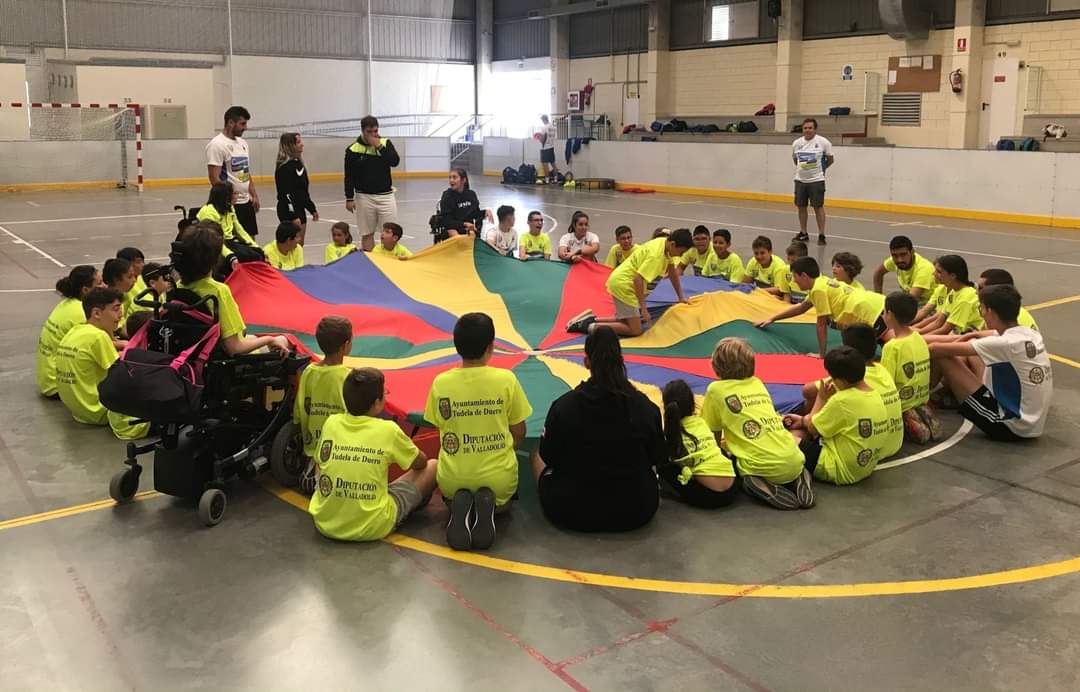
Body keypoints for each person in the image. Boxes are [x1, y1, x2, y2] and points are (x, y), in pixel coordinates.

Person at [530, 326, 664, 532]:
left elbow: (549, 456)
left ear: (586, 362)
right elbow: (657, 457)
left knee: (536, 455)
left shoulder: (564, 407)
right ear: (621, 360)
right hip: (637, 509)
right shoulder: (645, 407)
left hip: (571, 510)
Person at [423, 313, 532, 551]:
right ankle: (492, 508)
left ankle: (459, 505)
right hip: (499, 479)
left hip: (453, 479)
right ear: (491, 346)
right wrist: (505, 448)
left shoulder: (441, 382)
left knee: (449, 482)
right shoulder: (507, 380)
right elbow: (520, 431)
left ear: (456, 346)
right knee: (503, 501)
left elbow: (439, 427)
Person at [309, 368, 437, 542]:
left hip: (325, 521)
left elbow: (319, 463)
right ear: (377, 402)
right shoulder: (388, 430)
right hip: (373, 525)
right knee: (433, 466)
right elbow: (420, 463)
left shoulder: (331, 423)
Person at [701, 337, 812, 509]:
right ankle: (798, 476)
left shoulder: (715, 390)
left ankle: (757, 483)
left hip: (759, 466)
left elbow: (712, 434)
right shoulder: (757, 383)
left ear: (716, 365)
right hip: (794, 457)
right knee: (787, 460)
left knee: (737, 469)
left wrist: (718, 460)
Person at [930, 284, 1051, 441]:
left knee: (943, 357)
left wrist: (903, 345)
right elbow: (977, 336)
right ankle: (945, 396)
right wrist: (965, 338)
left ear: (989, 312)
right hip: (1031, 422)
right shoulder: (1028, 334)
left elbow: (933, 349)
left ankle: (919, 402)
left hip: (1009, 426)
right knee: (972, 353)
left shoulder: (1003, 344)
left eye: (981, 310)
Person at [173, 222, 290, 356]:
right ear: (216, 259)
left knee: (256, 338)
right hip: (222, 360)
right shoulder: (218, 291)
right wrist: (269, 340)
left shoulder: (176, 288)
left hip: (193, 353)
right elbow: (234, 348)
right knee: (284, 341)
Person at [784, 346, 892, 485]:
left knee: (784, 438)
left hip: (838, 469)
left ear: (841, 381)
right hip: (865, 467)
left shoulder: (842, 400)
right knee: (799, 433)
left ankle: (788, 480)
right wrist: (803, 420)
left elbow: (812, 428)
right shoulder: (875, 394)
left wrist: (821, 398)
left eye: (833, 378)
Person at [54, 287, 149, 440]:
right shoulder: (98, 337)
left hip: (79, 411)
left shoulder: (76, 330)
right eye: (115, 309)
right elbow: (124, 371)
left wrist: (121, 345)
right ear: (97, 313)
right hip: (98, 411)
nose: (121, 314)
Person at [567, 229, 693, 338]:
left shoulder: (664, 243)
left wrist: (680, 297)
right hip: (624, 285)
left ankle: (591, 320)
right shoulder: (656, 257)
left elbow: (671, 271)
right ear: (673, 244)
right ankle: (587, 326)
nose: (680, 256)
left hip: (622, 281)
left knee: (625, 320)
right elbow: (638, 279)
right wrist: (643, 309)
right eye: (681, 252)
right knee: (635, 330)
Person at [755, 257, 886, 359]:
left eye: (795, 277)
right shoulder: (821, 282)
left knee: (893, 341)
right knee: (890, 341)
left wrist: (822, 354)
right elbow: (801, 307)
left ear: (804, 276)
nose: (794, 281)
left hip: (869, 311)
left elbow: (821, 324)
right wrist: (773, 318)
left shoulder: (818, 290)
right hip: (876, 304)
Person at [294, 316, 352, 494]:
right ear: (346, 345)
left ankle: (314, 468)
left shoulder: (309, 371)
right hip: (340, 448)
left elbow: (299, 411)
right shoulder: (348, 377)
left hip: (312, 444)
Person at [659, 379, 739, 508]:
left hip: (708, 496)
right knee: (719, 452)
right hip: (733, 488)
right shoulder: (701, 422)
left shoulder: (670, 433)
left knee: (663, 466)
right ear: (692, 403)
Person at [881, 291, 940, 443]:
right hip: (921, 396)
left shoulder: (892, 347)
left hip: (901, 402)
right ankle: (918, 413)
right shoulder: (918, 337)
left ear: (890, 315)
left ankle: (904, 418)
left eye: (884, 312)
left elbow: (886, 383)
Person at [37, 265, 102, 398]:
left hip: (48, 379)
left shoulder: (67, 304)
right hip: (59, 383)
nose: (105, 286)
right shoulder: (82, 313)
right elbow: (99, 345)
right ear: (85, 290)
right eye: (100, 283)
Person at [344, 115, 400, 252]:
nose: (373, 135)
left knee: (390, 232)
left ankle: (388, 263)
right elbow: (349, 176)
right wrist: (349, 198)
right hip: (364, 197)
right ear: (362, 131)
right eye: (369, 132)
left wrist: (379, 146)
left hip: (386, 195)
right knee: (367, 233)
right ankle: (371, 263)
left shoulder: (385, 143)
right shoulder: (353, 150)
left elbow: (395, 161)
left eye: (375, 131)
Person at [206, 106, 259, 237]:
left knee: (250, 241)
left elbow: (245, 171)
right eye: (242, 124)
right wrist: (228, 200)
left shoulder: (243, 143)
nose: (245, 127)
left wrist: (254, 194)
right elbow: (214, 178)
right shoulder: (217, 145)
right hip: (230, 205)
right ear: (230, 123)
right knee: (232, 242)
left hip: (246, 203)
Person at [913, 255, 982, 336]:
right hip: (957, 334)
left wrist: (917, 337)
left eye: (939, 272)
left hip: (970, 336)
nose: (934, 274)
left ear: (953, 275)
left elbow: (945, 329)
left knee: (932, 345)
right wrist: (914, 333)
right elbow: (937, 322)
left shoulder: (966, 297)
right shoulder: (953, 292)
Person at [792, 117, 834, 246]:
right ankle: (803, 232)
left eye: (810, 128)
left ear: (815, 129)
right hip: (800, 181)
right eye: (805, 128)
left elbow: (830, 160)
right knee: (801, 207)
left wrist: (821, 170)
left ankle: (821, 234)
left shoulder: (823, 142)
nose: (807, 130)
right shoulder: (797, 143)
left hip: (816, 181)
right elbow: (795, 160)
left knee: (818, 207)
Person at [275, 132, 318, 245]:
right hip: (288, 210)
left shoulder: (299, 164)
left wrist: (311, 208)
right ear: (290, 146)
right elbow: (285, 194)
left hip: (299, 209)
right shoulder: (284, 167)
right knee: (292, 244)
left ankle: (298, 263)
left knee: (299, 244)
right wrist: (293, 215)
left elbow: (303, 191)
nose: (302, 145)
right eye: (298, 142)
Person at [197, 182, 259, 256]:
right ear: (226, 197)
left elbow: (239, 230)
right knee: (246, 258)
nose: (237, 196)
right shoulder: (208, 212)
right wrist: (230, 256)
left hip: (229, 242)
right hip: (216, 247)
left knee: (257, 255)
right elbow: (214, 240)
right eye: (234, 194)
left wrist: (255, 246)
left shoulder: (229, 208)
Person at [872, 235, 938, 304]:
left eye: (903, 254)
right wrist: (879, 298)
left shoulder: (924, 269)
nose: (900, 260)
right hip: (913, 302)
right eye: (894, 255)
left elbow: (909, 301)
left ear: (912, 252)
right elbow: (878, 273)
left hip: (930, 306)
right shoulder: (894, 261)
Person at [432, 168, 488, 242]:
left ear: (463, 180)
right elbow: (447, 221)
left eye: (454, 177)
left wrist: (485, 212)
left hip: (468, 228)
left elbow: (475, 214)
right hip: (452, 228)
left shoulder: (471, 194)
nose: (451, 180)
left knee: (472, 237)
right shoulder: (447, 196)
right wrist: (464, 224)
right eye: (450, 177)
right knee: (458, 238)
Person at [103, 257, 137, 334]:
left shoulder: (125, 295)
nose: (134, 280)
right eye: (129, 277)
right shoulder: (109, 302)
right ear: (116, 279)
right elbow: (121, 331)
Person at [539, 114, 560, 182]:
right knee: (553, 163)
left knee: (545, 164)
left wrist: (538, 138)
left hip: (545, 148)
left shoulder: (544, 127)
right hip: (551, 147)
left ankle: (547, 180)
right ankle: (556, 179)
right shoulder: (553, 127)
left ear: (543, 120)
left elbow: (542, 139)